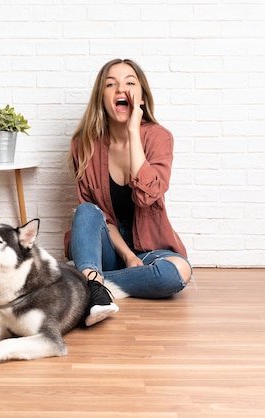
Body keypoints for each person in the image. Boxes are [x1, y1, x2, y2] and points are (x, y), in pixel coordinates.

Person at [64, 58, 193, 327]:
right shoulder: (84, 144)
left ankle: (85, 281)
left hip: (149, 249)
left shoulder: (158, 137)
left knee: (178, 272)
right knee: (86, 210)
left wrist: (134, 131)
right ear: (102, 96)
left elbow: (149, 195)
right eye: (111, 84)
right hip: (107, 249)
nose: (121, 89)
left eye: (130, 83)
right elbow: (98, 216)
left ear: (141, 96)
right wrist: (127, 256)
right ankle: (94, 281)